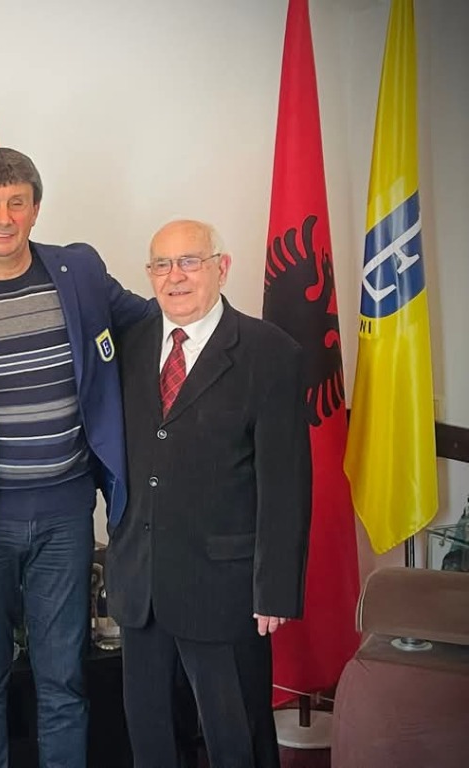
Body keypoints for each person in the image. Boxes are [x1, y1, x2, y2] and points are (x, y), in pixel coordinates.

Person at [0, 147, 151, 767]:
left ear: (36, 208)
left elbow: (149, 326)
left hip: (67, 513)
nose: (4, 217)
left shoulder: (80, 271)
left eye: (17, 202)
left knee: (63, 678)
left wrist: (220, 335)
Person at [105, 219, 312, 768]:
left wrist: (275, 590)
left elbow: (286, 483)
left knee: (237, 737)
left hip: (225, 590)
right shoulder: (129, 346)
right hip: (141, 586)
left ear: (222, 267)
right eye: (161, 265)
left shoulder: (271, 353)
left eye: (189, 261)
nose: (174, 276)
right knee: (152, 739)